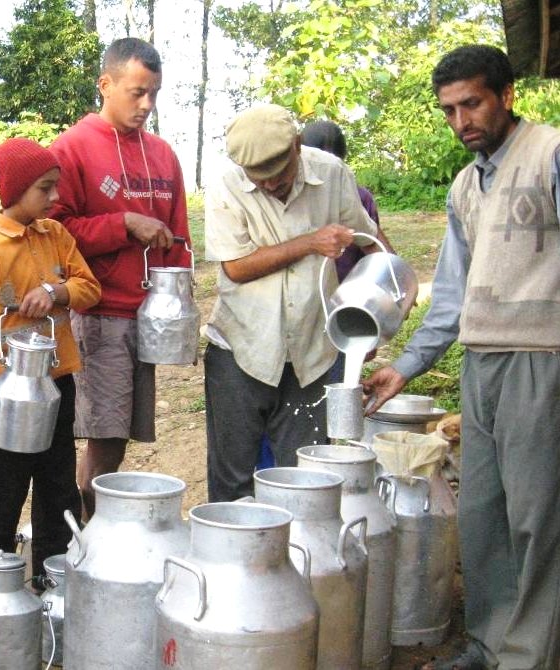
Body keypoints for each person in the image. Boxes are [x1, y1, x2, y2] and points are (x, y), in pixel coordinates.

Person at [364, 45, 560, 670]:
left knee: (537, 517)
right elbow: (451, 295)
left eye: (471, 104)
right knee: (482, 514)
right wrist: (406, 366)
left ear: (507, 95)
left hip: (542, 358)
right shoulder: (465, 185)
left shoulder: (550, 154)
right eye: (449, 110)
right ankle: (489, 642)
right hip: (482, 363)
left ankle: (530, 655)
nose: (460, 122)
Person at [203, 104, 378, 502]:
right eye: (258, 177)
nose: (268, 185)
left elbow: (367, 238)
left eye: (277, 175)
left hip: (313, 351)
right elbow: (236, 268)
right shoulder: (226, 186)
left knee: (303, 481)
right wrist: (310, 243)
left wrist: (392, 286)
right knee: (232, 482)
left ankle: (300, 543)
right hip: (241, 348)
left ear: (297, 146)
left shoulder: (332, 173)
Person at [49, 37, 190, 518]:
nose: (147, 104)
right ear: (105, 85)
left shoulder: (164, 155)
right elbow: (55, 233)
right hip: (99, 313)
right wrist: (123, 223)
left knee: (120, 436)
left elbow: (180, 237)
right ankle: (88, 531)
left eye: (154, 93)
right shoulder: (72, 148)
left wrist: (181, 307)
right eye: (137, 92)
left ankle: (92, 526)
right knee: (105, 436)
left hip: (150, 315)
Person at [0, 138, 100, 581]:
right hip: (9, 395)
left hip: (56, 384)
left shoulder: (55, 235)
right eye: (45, 187)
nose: (55, 196)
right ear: (15, 190)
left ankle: (51, 585)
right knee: (1, 497)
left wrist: (56, 291)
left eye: (55, 185)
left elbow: (89, 288)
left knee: (58, 490)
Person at [301, 119, 395, 383]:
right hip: (322, 306)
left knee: (337, 382)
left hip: (345, 308)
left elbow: (373, 246)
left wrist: (381, 307)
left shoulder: (358, 197)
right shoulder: (298, 196)